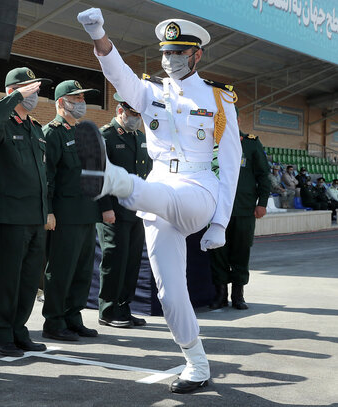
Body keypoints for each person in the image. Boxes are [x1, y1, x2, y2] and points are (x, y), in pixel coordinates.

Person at [76, 9, 241, 393]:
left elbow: (231, 164)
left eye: (179, 53)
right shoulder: (151, 92)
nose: (170, 60)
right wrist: (99, 35)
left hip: (199, 188)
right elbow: (118, 75)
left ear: (197, 56)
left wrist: (220, 222)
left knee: (167, 196)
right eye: (166, 53)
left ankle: (115, 181)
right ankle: (196, 363)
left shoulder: (219, 99)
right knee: (169, 293)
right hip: (158, 186)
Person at [0, 67, 51, 357]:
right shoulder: (1, 121)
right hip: (11, 215)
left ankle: (19, 330)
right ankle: (1, 335)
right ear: (13, 91)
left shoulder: (35, 128)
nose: (35, 94)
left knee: (28, 280)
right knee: (9, 279)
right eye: (30, 89)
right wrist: (12, 99)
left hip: (35, 216)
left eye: (35, 90)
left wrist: (47, 212)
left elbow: (41, 176)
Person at [41, 80, 101, 341]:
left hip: (86, 213)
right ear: (61, 103)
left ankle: (73, 317)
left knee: (82, 271)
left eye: (82, 98)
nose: (81, 103)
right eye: (75, 99)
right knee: (61, 270)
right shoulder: (52, 133)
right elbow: (48, 177)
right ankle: (54, 322)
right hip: (64, 215)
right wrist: (48, 211)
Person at [96, 93, 151, 328]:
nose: (136, 119)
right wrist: (105, 208)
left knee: (131, 263)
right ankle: (108, 310)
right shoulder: (105, 135)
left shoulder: (140, 138)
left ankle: (124, 307)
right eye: (133, 114)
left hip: (136, 211)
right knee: (114, 261)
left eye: (139, 115)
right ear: (120, 111)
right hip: (114, 211)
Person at [209, 117, 270, 311]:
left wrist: (262, 203)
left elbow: (263, 174)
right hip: (217, 210)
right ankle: (220, 295)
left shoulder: (251, 143)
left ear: (237, 120)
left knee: (241, 252)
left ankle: (238, 295)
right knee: (217, 252)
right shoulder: (210, 143)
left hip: (244, 209)